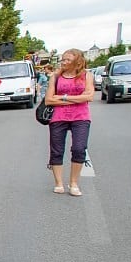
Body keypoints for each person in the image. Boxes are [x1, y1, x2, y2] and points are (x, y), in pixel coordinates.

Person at [44, 48, 94, 196]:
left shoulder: (87, 76)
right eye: (63, 59)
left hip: (81, 116)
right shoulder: (56, 76)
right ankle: (58, 183)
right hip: (58, 117)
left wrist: (62, 97)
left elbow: (89, 97)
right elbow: (49, 99)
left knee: (79, 148)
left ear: (77, 61)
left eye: (68, 60)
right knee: (57, 150)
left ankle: (73, 183)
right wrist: (77, 98)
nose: (64, 62)